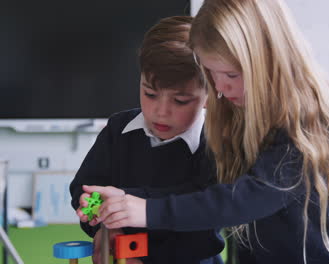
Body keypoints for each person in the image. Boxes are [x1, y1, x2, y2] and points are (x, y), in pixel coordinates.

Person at [83, 0, 329, 263]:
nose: (219, 89)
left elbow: (245, 199)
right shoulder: (242, 110)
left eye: (231, 75)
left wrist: (145, 210)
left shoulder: (306, 119)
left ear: (266, 58)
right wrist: (119, 206)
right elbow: (210, 192)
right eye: (211, 74)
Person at [69, 16, 224, 264]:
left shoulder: (215, 142)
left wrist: (125, 204)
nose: (160, 112)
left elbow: (201, 212)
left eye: (180, 100)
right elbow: (86, 186)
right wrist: (98, 224)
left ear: (211, 95)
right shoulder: (119, 129)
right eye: (150, 93)